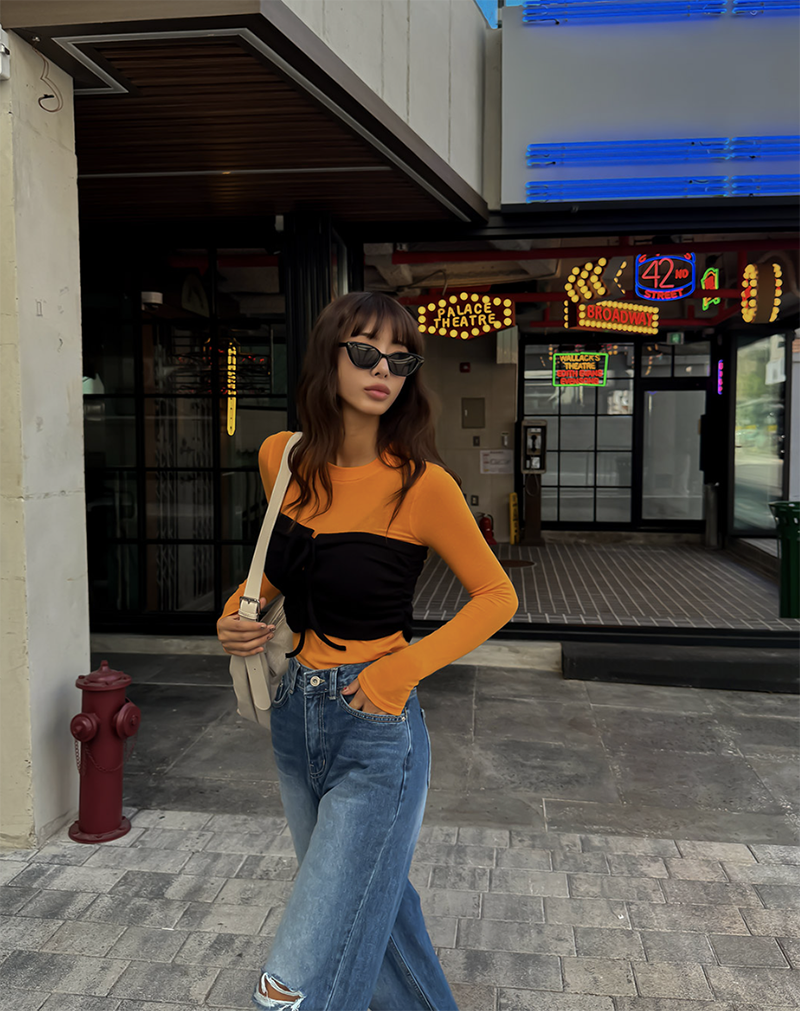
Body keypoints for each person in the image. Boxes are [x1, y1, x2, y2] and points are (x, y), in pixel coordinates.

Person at [216, 291, 518, 1011]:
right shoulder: (282, 458)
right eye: (365, 351)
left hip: (376, 728)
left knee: (298, 974)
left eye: (400, 359)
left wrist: (401, 671)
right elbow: (283, 571)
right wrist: (235, 611)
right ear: (330, 357)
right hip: (295, 715)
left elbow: (496, 595)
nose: (383, 369)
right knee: (373, 911)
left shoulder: (423, 485)